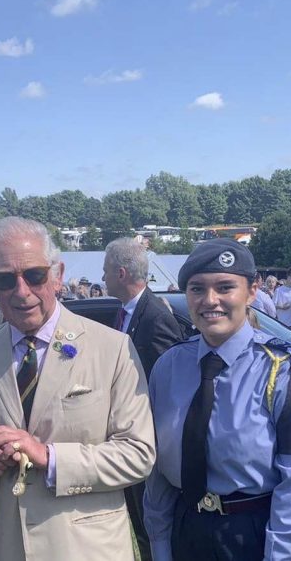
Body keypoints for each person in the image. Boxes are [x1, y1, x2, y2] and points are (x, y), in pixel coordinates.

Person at [0, 217, 155, 561]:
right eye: (5, 279)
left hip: (87, 550)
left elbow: (138, 455)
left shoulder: (112, 348)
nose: (21, 291)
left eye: (35, 275)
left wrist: (49, 457)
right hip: (5, 546)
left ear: (57, 274)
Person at [143, 239, 291, 561]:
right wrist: (160, 545)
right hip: (187, 530)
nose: (209, 300)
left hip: (258, 534)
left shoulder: (285, 369)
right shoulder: (169, 366)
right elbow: (158, 472)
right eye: (197, 289)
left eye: (225, 287)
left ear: (252, 291)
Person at [102, 236, 185, 560]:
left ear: (121, 273)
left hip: (149, 439)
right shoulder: (124, 313)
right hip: (128, 434)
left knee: (154, 524)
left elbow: (170, 384)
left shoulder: (154, 317)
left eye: (106, 270)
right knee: (140, 522)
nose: (102, 276)